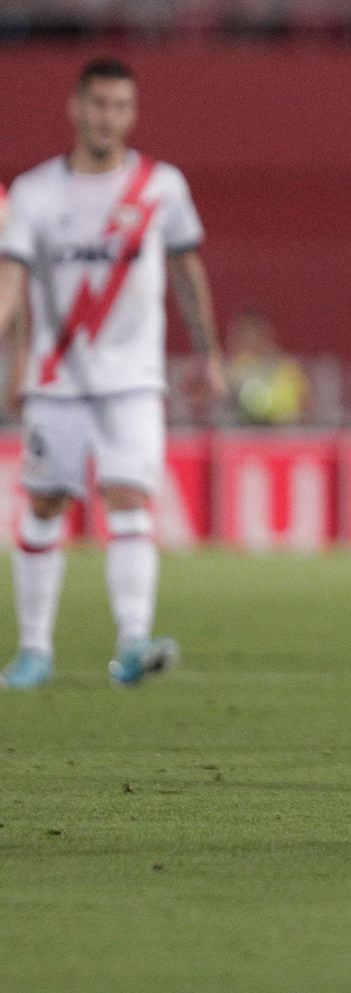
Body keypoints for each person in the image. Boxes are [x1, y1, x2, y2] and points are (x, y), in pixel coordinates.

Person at [0, 58, 225, 690]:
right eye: (98, 104)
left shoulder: (161, 186)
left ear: (132, 113)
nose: (107, 117)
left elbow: (186, 270)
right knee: (44, 504)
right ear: (75, 107)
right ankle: (34, 651)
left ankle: (131, 643)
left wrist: (207, 351)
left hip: (133, 377)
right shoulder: (35, 192)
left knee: (129, 497)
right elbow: (11, 285)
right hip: (56, 379)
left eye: (120, 106)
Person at [224, 307, 309, 425]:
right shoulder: (232, 369)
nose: (238, 340)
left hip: (280, 437)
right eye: (238, 334)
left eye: (248, 333)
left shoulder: (287, 368)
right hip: (241, 437)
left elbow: (305, 406)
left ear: (265, 335)